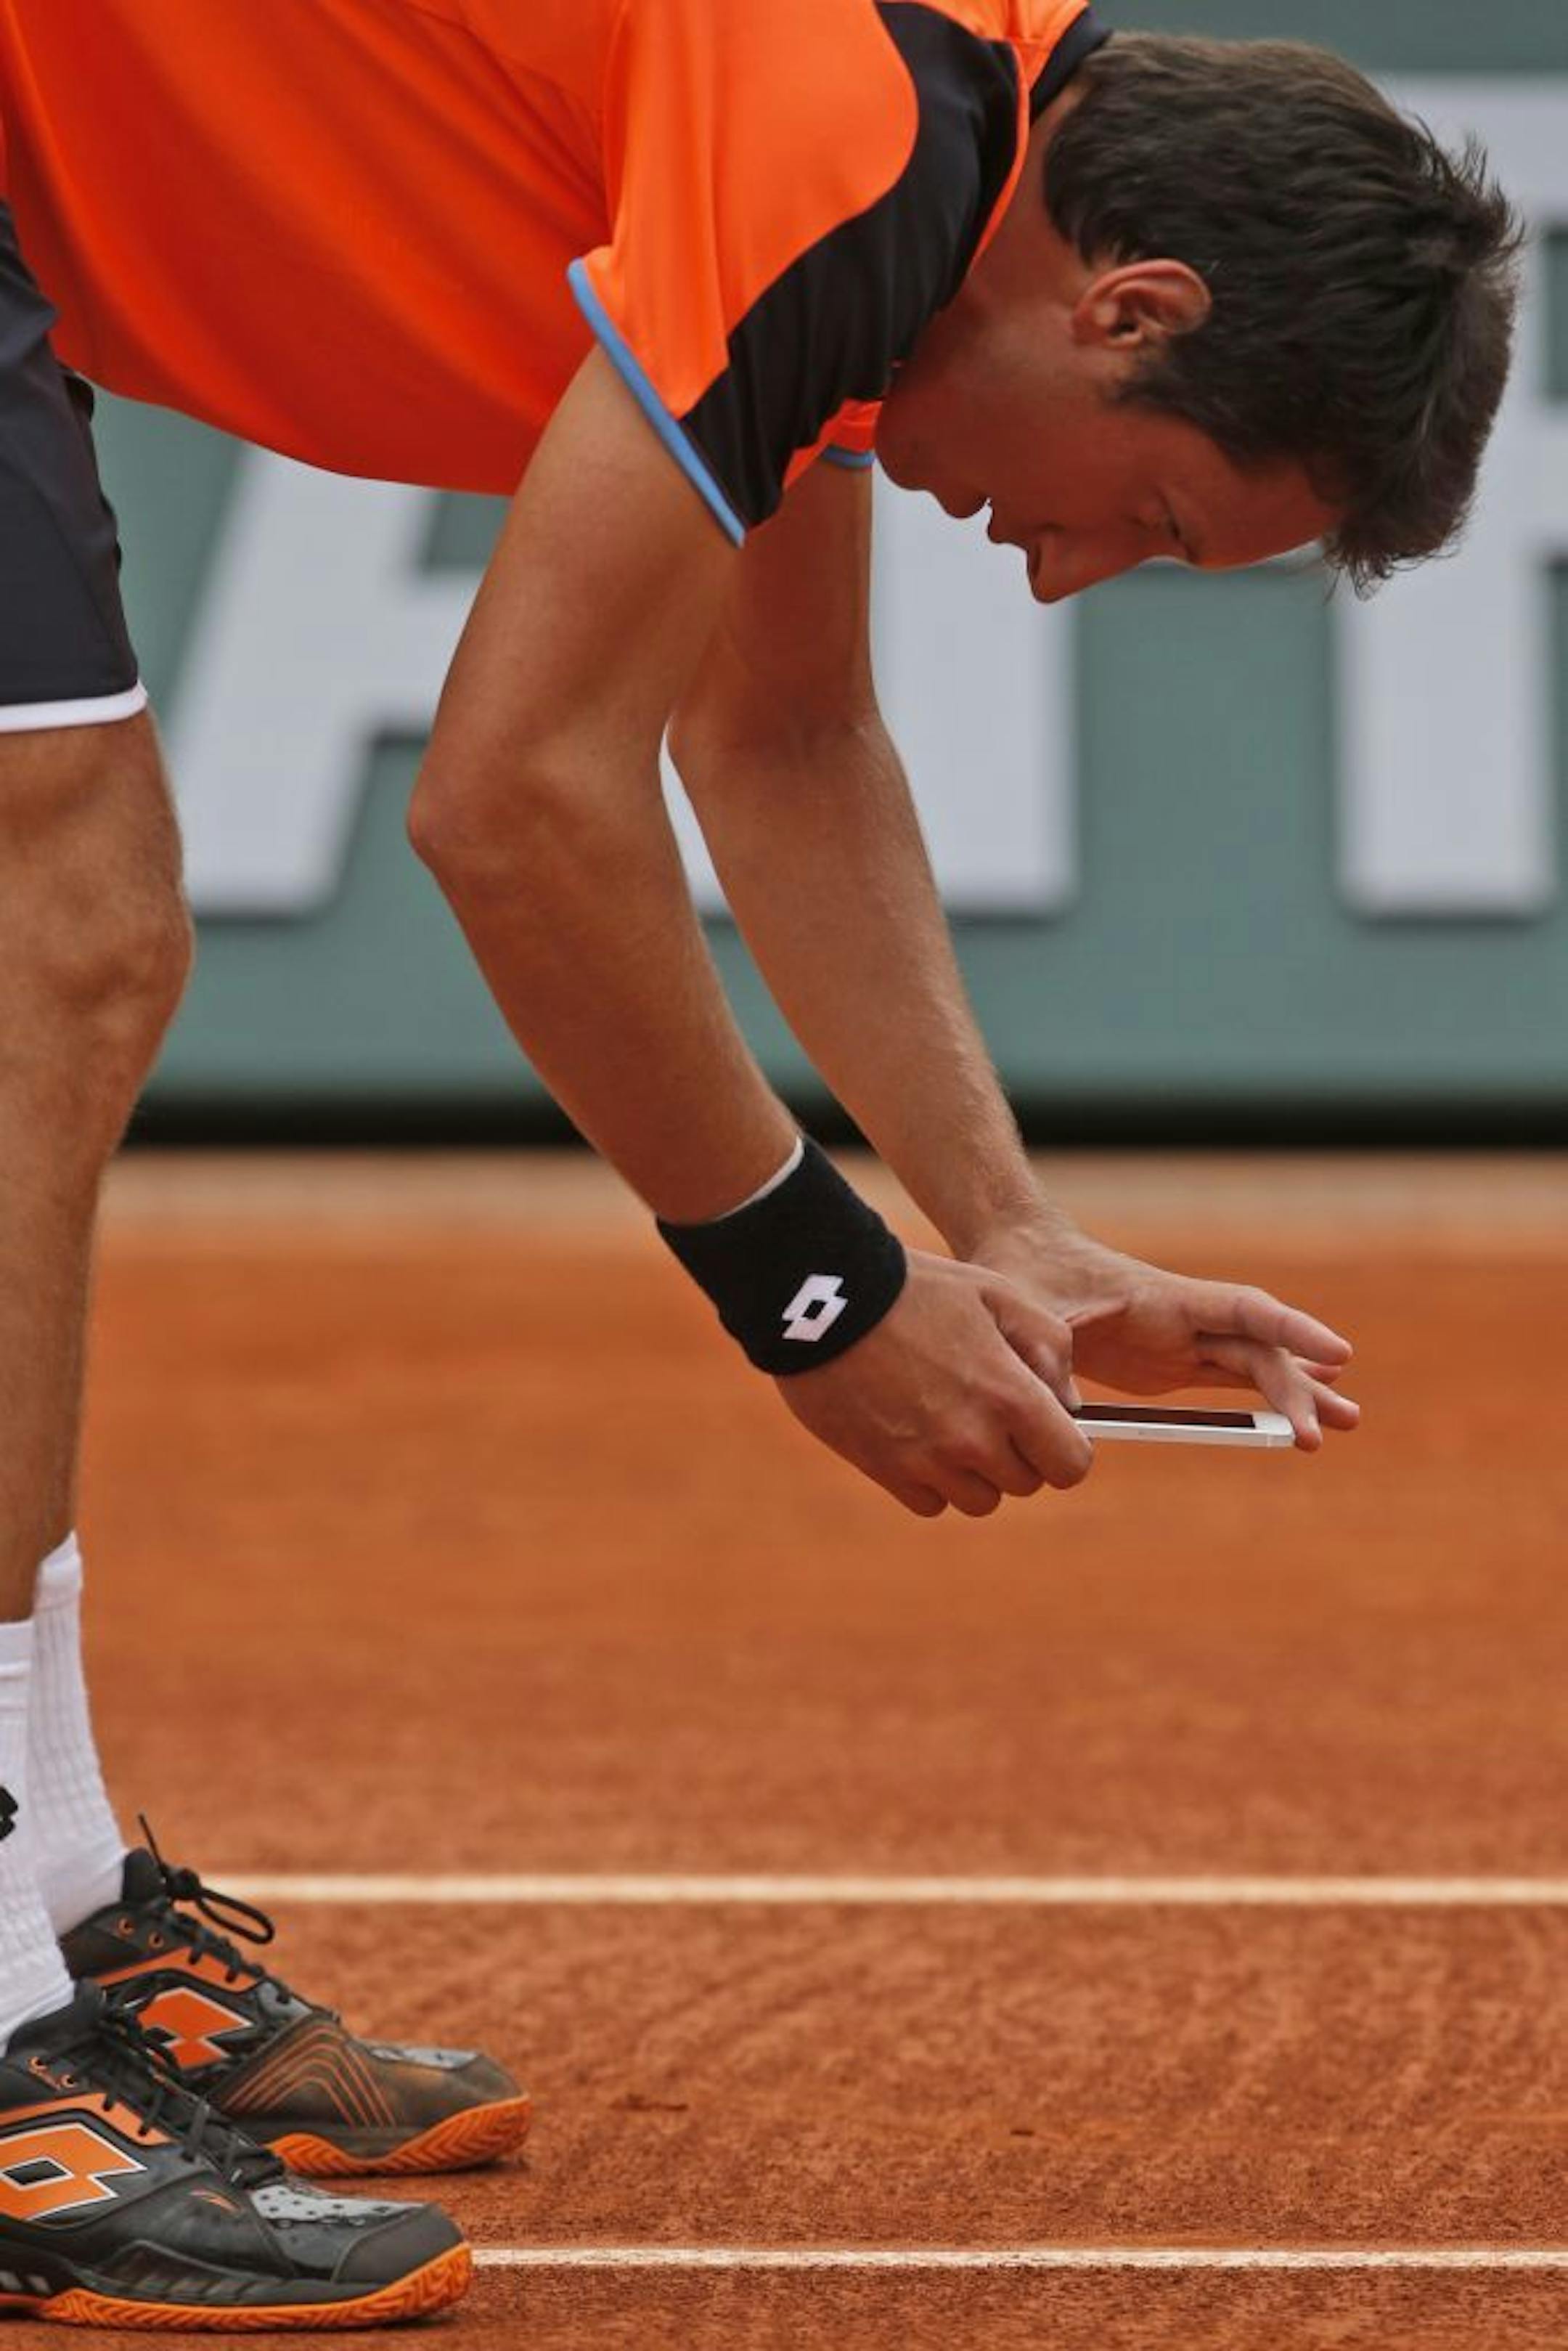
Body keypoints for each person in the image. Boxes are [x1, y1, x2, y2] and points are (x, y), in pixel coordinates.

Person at [0, 0, 1520, 2325]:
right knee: (59, 931)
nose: (1059, 576)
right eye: (1157, 518)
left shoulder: (920, 171)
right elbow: (511, 803)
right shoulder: (849, 129)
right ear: (1135, 307)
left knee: (59, 945)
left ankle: (49, 1897)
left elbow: (784, 731)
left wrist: (997, 1229)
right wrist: (812, 1292)